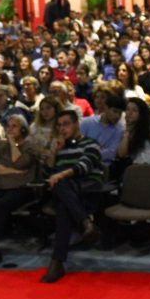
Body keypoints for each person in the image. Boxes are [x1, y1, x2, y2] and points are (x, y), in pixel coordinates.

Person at [41, 109, 104, 283]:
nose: (62, 129)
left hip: (88, 189)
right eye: (59, 125)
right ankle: (86, 223)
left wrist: (61, 175)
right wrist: (53, 153)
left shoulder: (90, 143)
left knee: (62, 195)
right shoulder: (59, 148)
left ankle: (57, 263)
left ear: (77, 124)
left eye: (66, 124)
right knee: (63, 203)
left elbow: (85, 166)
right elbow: (47, 174)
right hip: (68, 194)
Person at [0, 114, 38, 264]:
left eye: (14, 126)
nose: (10, 129)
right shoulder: (1, 146)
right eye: (8, 126)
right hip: (2, 186)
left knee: (2, 204)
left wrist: (12, 145)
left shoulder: (29, 146)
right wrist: (14, 172)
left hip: (23, 187)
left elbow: (19, 162)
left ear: (23, 129)